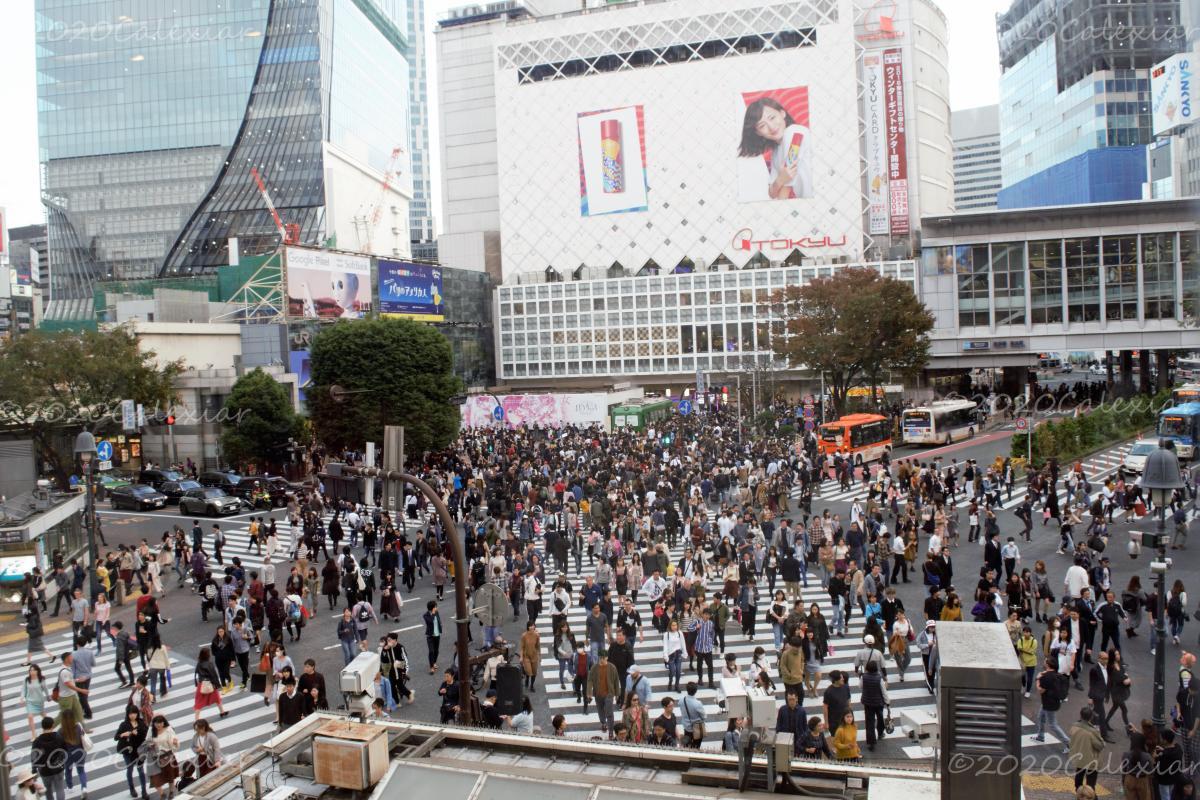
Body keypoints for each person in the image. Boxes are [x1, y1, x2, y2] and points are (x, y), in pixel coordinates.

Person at [736, 96, 814, 201]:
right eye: (762, 126)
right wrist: (781, 179)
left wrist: (781, 180)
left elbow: (785, 187)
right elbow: (772, 193)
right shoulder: (776, 152)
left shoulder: (794, 133)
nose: (772, 127)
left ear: (782, 113)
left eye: (772, 118)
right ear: (758, 132)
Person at [115, 707, 150, 800]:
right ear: (127, 714)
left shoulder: (141, 723)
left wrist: (137, 733)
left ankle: (144, 791)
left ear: (137, 713)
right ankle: (132, 789)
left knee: (141, 771)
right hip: (128, 751)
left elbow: (146, 734)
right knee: (130, 769)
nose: (132, 715)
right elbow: (116, 737)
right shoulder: (124, 725)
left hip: (139, 751)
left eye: (134, 713)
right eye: (130, 713)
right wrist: (125, 734)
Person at [31, 716, 68, 800]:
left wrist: (34, 769)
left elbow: (34, 756)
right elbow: (65, 750)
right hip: (58, 768)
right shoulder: (59, 737)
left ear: (42, 726)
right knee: (60, 789)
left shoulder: (37, 741)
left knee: (48, 791)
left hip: (44, 770)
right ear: (52, 725)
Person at [1067, 706, 1104, 791]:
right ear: (1091, 717)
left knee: (1078, 780)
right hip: (1091, 761)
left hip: (1078, 758)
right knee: (1090, 785)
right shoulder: (1092, 731)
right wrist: (1098, 731)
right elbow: (1100, 746)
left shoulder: (1074, 727)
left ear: (1080, 715)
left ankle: (1079, 794)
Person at [587, 649, 620, 738]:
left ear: (607, 657)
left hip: (609, 693)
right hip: (598, 693)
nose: (602, 659)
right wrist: (589, 693)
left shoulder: (612, 667)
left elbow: (616, 681)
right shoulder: (594, 667)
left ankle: (610, 731)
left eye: (604, 657)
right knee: (600, 710)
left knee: (609, 712)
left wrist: (617, 694)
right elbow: (590, 680)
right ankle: (603, 723)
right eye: (600, 657)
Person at [147, 715, 180, 800]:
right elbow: (147, 740)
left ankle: (171, 792)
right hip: (155, 757)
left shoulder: (168, 730)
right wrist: (150, 744)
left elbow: (174, 742)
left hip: (167, 755)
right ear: (154, 723)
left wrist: (175, 743)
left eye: (160, 723)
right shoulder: (151, 730)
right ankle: (162, 794)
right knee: (154, 778)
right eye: (156, 723)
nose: (158, 725)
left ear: (163, 723)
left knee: (170, 776)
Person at [859, 660, 889, 751]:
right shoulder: (879, 678)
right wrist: (887, 702)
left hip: (867, 702)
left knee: (869, 722)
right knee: (880, 717)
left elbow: (860, 686)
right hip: (878, 702)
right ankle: (880, 733)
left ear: (867, 668)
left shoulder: (863, 677)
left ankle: (871, 742)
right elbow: (884, 692)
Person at [192, 647, 228, 721]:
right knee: (217, 698)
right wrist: (218, 685)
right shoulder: (209, 664)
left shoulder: (199, 663)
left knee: (198, 702)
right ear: (207, 655)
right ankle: (222, 711)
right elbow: (213, 675)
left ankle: (196, 719)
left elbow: (196, 672)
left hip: (201, 684)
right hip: (210, 684)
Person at [23, 664, 48, 739]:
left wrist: (48, 696)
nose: (32, 671)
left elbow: (45, 688)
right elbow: (24, 689)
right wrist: (22, 697)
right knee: (30, 716)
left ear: (37, 671)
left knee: (43, 715)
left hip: (39, 701)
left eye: (34, 670)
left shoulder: (41, 679)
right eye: (30, 670)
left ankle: (46, 728)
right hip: (30, 701)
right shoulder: (27, 679)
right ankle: (33, 734)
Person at [679, 682, 706, 748]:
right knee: (696, 746)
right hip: (696, 728)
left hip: (686, 726)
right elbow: (704, 716)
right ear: (696, 691)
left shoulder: (682, 700)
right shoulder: (697, 703)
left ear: (687, 690)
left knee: (686, 744)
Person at [520, 621, 541, 692]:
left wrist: (539, 656)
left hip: (534, 656)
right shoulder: (524, 636)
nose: (532, 627)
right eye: (530, 626)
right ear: (528, 627)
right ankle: (527, 678)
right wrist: (521, 657)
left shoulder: (537, 635)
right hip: (526, 656)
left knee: (534, 672)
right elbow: (522, 647)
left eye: (533, 626)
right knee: (529, 671)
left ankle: (532, 685)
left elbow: (538, 646)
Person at [423, 601, 442, 674]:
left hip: (437, 634)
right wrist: (433, 614)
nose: (436, 608)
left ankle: (434, 662)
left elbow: (439, 620)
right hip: (430, 636)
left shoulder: (437, 612)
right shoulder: (426, 615)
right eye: (435, 607)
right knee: (431, 651)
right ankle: (431, 667)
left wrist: (440, 626)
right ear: (432, 608)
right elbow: (430, 621)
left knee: (436, 651)